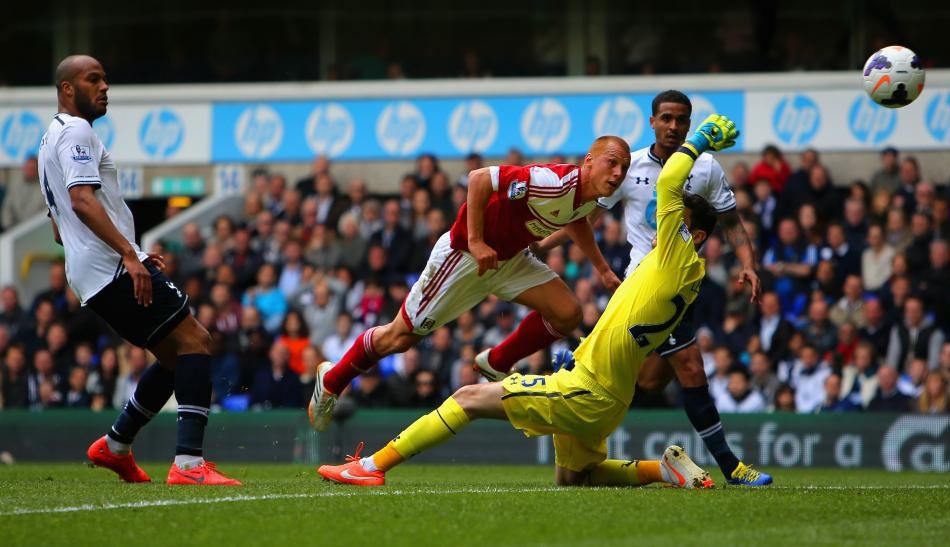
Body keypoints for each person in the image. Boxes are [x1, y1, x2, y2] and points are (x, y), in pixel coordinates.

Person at [317, 115, 767, 489]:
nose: (658, 217)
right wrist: (600, 268)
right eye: (613, 164)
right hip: (604, 388)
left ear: (694, 234)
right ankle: (662, 468)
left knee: (468, 397)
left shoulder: (667, 255)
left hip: (582, 381)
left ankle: (371, 467)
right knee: (575, 475)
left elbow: (668, 180)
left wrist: (702, 141)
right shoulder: (688, 274)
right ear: (590, 161)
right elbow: (494, 187)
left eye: (676, 219)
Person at [308, 136, 628, 431]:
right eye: (611, 163)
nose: (617, 173)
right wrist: (475, 240)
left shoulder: (590, 197)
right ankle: (333, 380)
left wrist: (601, 268)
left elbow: (577, 221)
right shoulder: (551, 182)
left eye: (624, 168)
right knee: (399, 337)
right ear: (588, 161)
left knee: (568, 312)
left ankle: (496, 362)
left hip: (509, 259)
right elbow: (479, 179)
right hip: (464, 257)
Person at [534, 91, 765, 486]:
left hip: (681, 281)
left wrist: (747, 264)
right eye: (666, 118)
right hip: (645, 283)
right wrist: (539, 244)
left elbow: (729, 222)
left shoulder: (706, 167)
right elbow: (583, 214)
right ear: (652, 122)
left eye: (681, 120)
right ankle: (732, 467)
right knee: (691, 367)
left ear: (690, 126)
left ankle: (571, 365)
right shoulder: (631, 166)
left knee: (651, 380)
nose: (674, 126)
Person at [37, 55, 238, 485]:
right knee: (195, 342)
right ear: (68, 89)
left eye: (106, 79)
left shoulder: (47, 140)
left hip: (89, 274)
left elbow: (58, 229)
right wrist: (130, 254)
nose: (104, 86)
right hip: (111, 268)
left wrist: (131, 251)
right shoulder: (77, 131)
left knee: (171, 358)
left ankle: (115, 446)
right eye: (93, 79)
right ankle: (188, 465)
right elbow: (82, 201)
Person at [1, 156, 47, 230]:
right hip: (13, 230)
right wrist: (8, 227)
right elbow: (7, 209)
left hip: (35, 230)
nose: (29, 171)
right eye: (27, 168)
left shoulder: (45, 189)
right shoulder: (14, 186)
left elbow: (46, 214)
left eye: (32, 169)